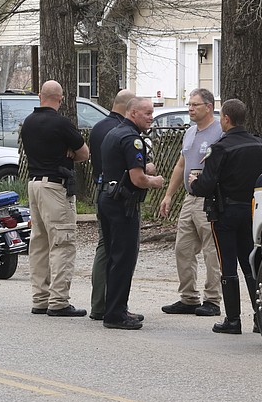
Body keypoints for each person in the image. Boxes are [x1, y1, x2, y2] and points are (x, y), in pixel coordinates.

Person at [189, 99, 262, 334]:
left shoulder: (220, 148)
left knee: (228, 265)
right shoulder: (259, 145)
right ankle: (260, 317)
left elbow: (207, 183)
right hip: (252, 211)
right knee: (251, 264)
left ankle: (233, 320)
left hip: (225, 212)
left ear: (226, 119)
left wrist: (194, 183)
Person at [21, 80, 89, 317]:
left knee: (39, 243)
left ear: (40, 96)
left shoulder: (28, 123)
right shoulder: (61, 124)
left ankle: (40, 298)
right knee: (62, 242)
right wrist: (68, 152)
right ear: (60, 98)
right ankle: (59, 300)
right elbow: (84, 152)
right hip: (55, 187)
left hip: (34, 185)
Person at [98, 97, 165, 329]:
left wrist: (143, 168)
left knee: (113, 257)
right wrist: (154, 180)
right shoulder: (132, 139)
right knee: (123, 259)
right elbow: (137, 179)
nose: (151, 117)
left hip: (107, 198)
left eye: (152, 113)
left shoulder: (114, 133)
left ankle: (115, 308)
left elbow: (120, 166)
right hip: (122, 204)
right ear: (133, 113)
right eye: (147, 113)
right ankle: (116, 314)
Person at [158, 88, 223, 317]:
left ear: (209, 106)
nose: (190, 109)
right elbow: (181, 165)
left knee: (211, 250)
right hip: (190, 198)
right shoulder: (190, 132)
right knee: (182, 249)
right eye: (189, 105)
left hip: (210, 199)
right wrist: (168, 195)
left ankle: (213, 299)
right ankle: (189, 298)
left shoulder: (220, 132)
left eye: (195, 105)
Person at [88, 89, 137, 321]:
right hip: (118, 194)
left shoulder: (99, 127)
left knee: (105, 248)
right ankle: (109, 305)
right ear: (128, 108)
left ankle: (101, 303)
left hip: (102, 190)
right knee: (117, 252)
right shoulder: (120, 131)